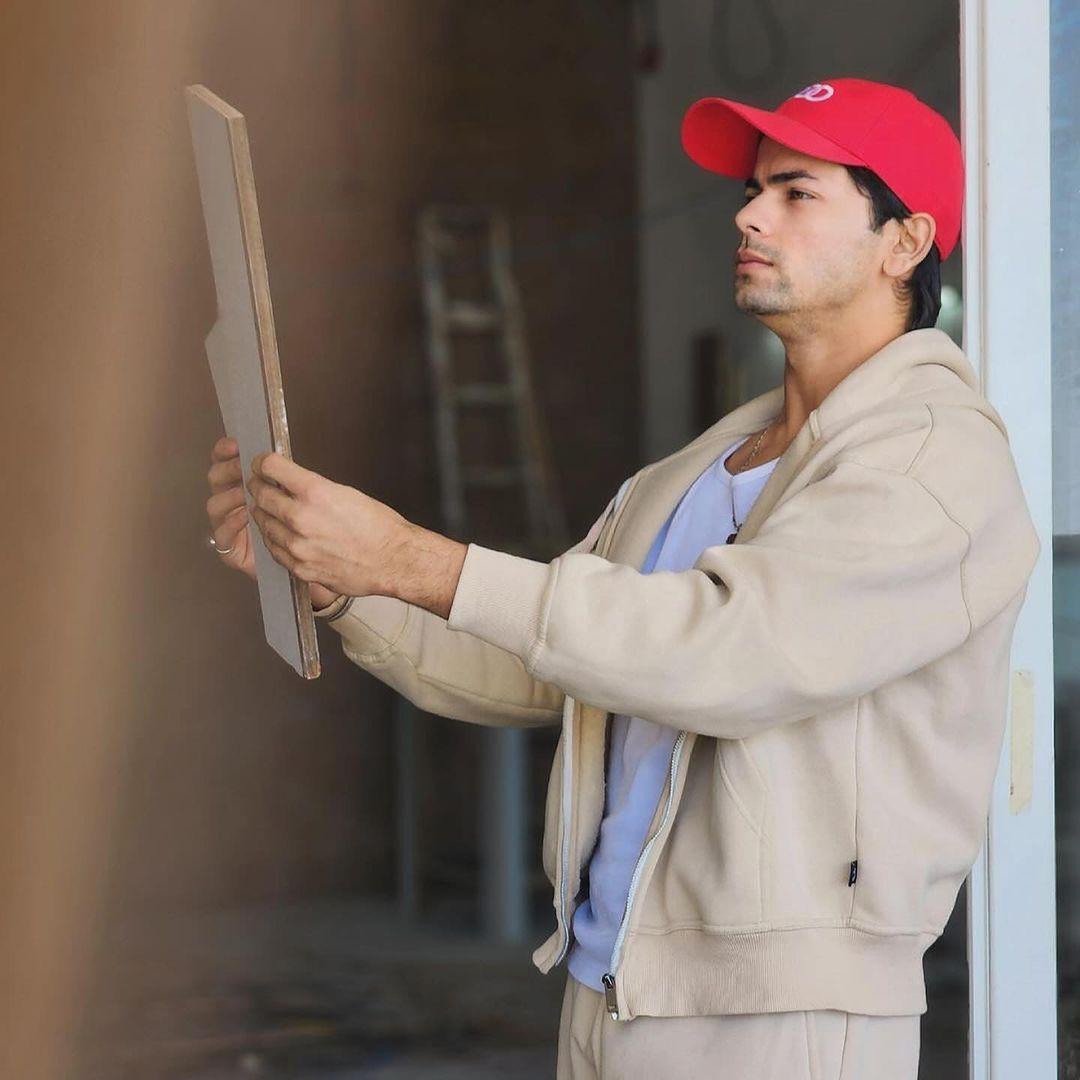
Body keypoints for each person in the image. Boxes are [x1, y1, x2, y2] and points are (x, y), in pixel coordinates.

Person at [205, 77, 1040, 1079]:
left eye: (796, 191)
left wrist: (415, 556)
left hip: (784, 1019)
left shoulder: (933, 459)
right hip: (611, 991)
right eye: (752, 188)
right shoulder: (700, 468)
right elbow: (550, 661)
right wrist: (339, 579)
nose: (748, 212)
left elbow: (729, 649)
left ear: (905, 241)